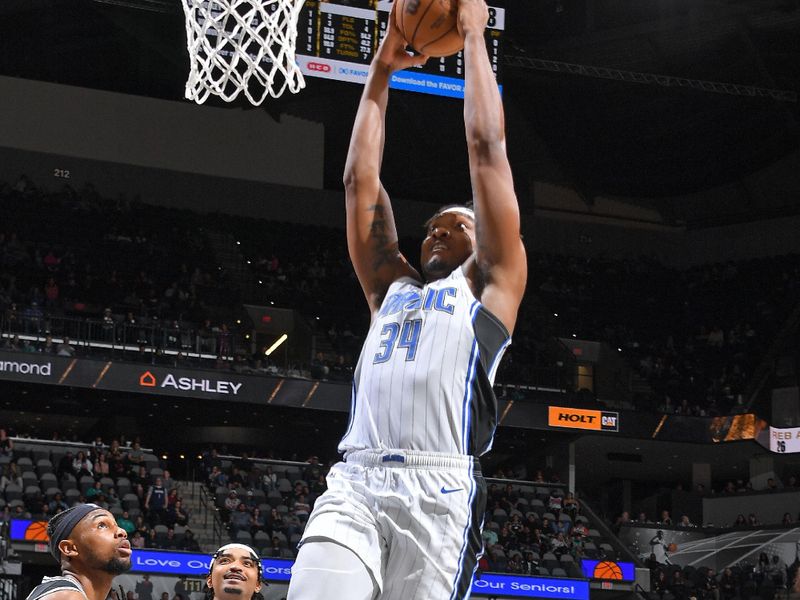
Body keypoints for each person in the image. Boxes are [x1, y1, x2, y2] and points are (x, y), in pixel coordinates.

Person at [287, 1, 527, 598]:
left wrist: (473, 33)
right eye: (431, 227)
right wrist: (381, 69)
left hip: (440, 492)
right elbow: (356, 182)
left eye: (456, 225)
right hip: (357, 481)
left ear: (486, 240)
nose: (437, 231)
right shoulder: (388, 287)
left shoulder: (491, 283)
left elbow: (485, 147)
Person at [24, 503, 132, 600]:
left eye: (116, 525)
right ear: (69, 548)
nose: (122, 531)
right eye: (102, 525)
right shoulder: (66, 596)